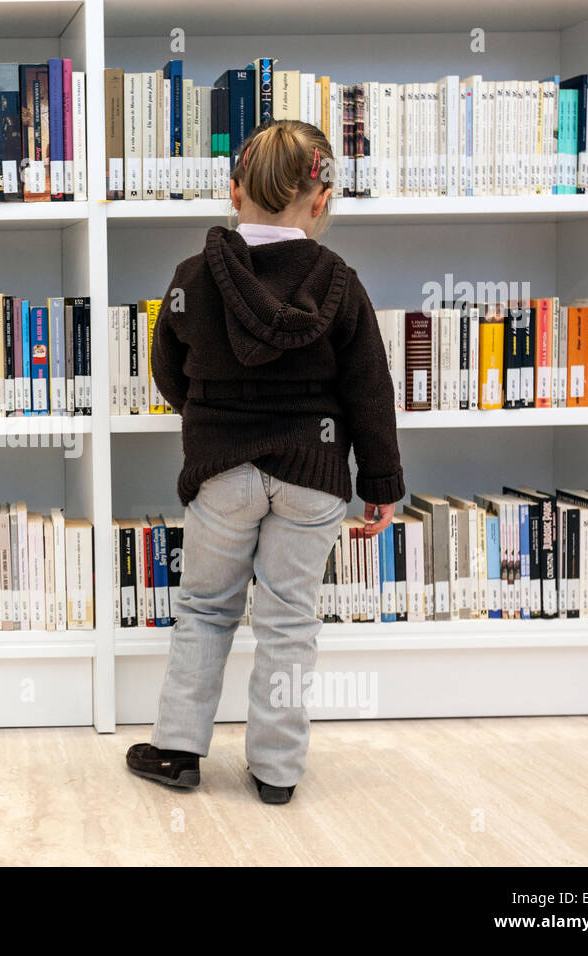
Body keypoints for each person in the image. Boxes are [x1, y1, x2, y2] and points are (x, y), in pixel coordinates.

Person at [125, 120, 405, 805]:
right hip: (314, 473)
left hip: (222, 469)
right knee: (289, 621)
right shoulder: (339, 283)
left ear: (233, 191)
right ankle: (277, 771)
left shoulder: (193, 278)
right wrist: (383, 484)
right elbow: (370, 389)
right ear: (319, 201)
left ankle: (179, 751)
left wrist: (210, 412)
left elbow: (168, 369)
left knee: (205, 609)